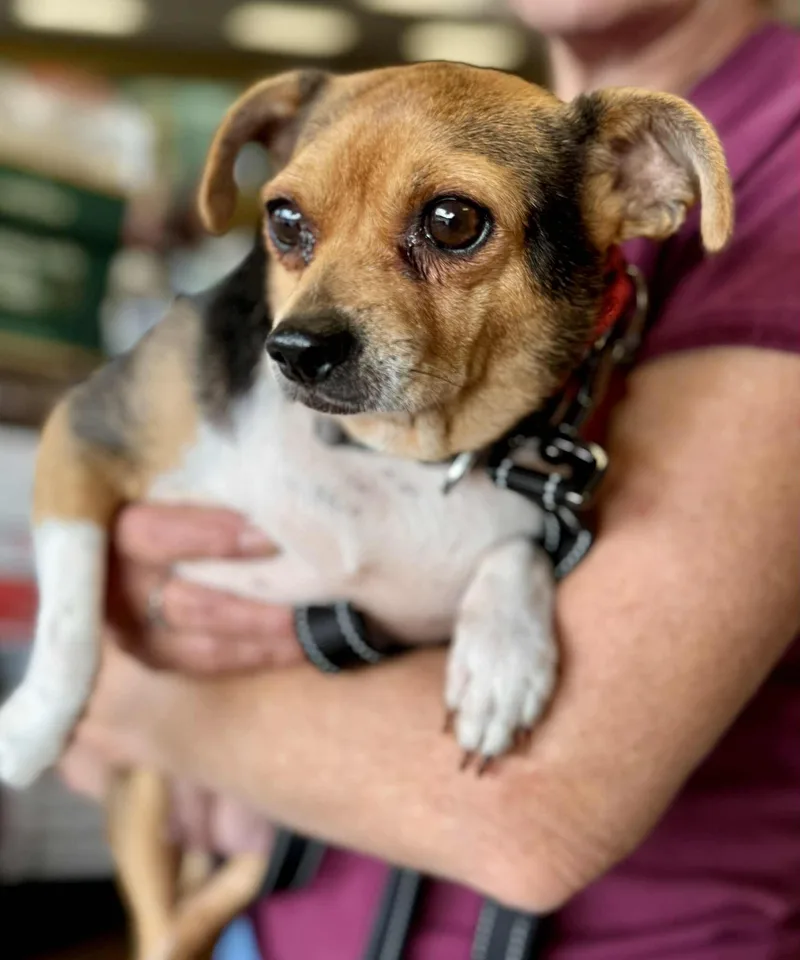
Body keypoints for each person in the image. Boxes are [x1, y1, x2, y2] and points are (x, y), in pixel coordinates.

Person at [61, 1, 800, 957]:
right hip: (280, 921)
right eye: (292, 220)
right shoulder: (397, 125)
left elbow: (535, 809)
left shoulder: (765, 152)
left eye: (452, 222)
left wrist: (123, 696)